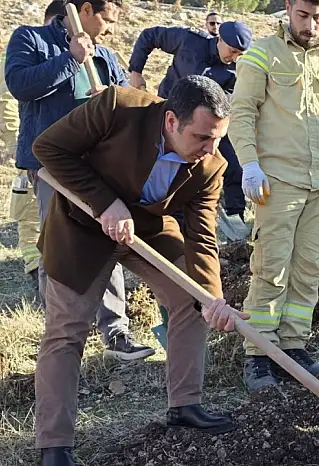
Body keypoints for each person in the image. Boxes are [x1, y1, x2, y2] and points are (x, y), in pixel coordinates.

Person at [31, 76, 247, 466]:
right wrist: (104, 202)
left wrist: (212, 296)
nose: (210, 149)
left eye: (217, 138)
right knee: (67, 331)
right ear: (170, 122)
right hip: (81, 227)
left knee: (192, 301)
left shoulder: (210, 166)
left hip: (147, 229)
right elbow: (47, 148)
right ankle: (55, 446)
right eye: (201, 137)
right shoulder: (117, 107)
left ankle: (185, 405)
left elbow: (202, 235)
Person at [5, 0, 153, 361]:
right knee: (56, 247)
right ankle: (61, 330)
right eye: (107, 18)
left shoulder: (104, 54)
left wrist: (115, 99)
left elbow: (125, 98)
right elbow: (20, 85)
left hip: (99, 165)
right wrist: (70, 58)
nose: (111, 29)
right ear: (86, 10)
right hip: (52, 165)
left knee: (109, 238)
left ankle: (116, 332)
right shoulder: (32, 39)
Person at [228, 0, 319, 391]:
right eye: (303, 15)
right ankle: (259, 353)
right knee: (271, 264)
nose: (310, 25)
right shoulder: (261, 54)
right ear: (288, 8)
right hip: (277, 180)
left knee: (308, 267)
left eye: (318, 17)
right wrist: (249, 164)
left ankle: (293, 345)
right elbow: (242, 112)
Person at [129, 21, 252, 240]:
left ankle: (235, 217)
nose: (234, 57)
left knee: (233, 164)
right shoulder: (189, 40)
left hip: (207, 128)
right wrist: (136, 71)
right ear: (220, 39)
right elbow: (150, 35)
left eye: (239, 54)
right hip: (170, 121)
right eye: (232, 51)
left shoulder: (235, 70)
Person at [3, 0, 76, 288]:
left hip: (48, 150)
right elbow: (11, 97)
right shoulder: (27, 44)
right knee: (34, 218)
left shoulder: (92, 52)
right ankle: (38, 273)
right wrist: (13, 142)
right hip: (33, 149)